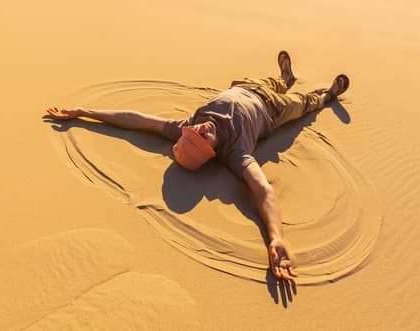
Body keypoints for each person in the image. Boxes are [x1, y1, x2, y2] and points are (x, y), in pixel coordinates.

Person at [46, 51, 350, 282]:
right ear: (209, 151)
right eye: (202, 136)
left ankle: (284, 76)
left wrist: (83, 112)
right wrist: (276, 238)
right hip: (273, 110)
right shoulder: (236, 152)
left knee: (277, 82)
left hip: (247, 87)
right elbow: (263, 191)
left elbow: (137, 120)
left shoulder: (187, 127)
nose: (201, 127)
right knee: (304, 103)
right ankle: (328, 95)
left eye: (195, 130)